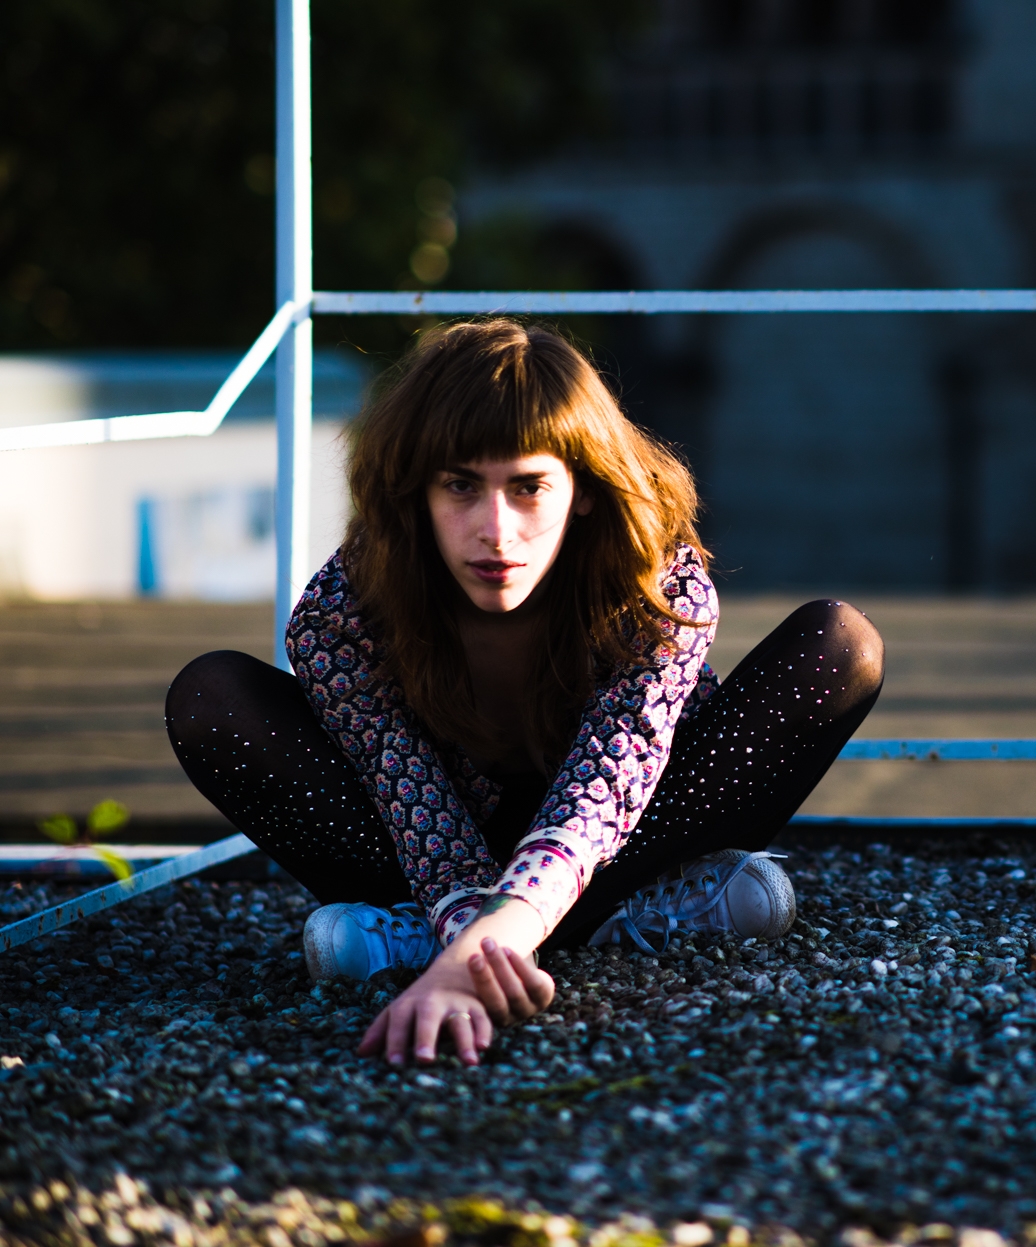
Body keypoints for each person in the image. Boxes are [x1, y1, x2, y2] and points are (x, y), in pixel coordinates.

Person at [166, 319, 884, 1068]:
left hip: (631, 835)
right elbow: (413, 800)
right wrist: (473, 930)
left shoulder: (657, 584)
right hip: (427, 848)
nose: (495, 531)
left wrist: (476, 948)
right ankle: (620, 920)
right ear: (416, 491)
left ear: (583, 488)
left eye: (528, 487)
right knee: (212, 699)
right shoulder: (346, 610)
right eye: (460, 486)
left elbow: (603, 788)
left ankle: (425, 938)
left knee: (839, 647)